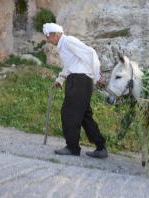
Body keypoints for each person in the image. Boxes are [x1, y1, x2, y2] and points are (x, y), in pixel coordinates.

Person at [43, 23, 108, 159]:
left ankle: (72, 148)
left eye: (48, 37)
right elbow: (70, 65)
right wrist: (60, 80)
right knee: (84, 116)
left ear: (55, 35)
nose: (48, 40)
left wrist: (96, 76)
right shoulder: (63, 46)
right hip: (79, 80)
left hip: (79, 81)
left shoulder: (68, 41)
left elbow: (91, 53)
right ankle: (101, 147)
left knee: (69, 113)